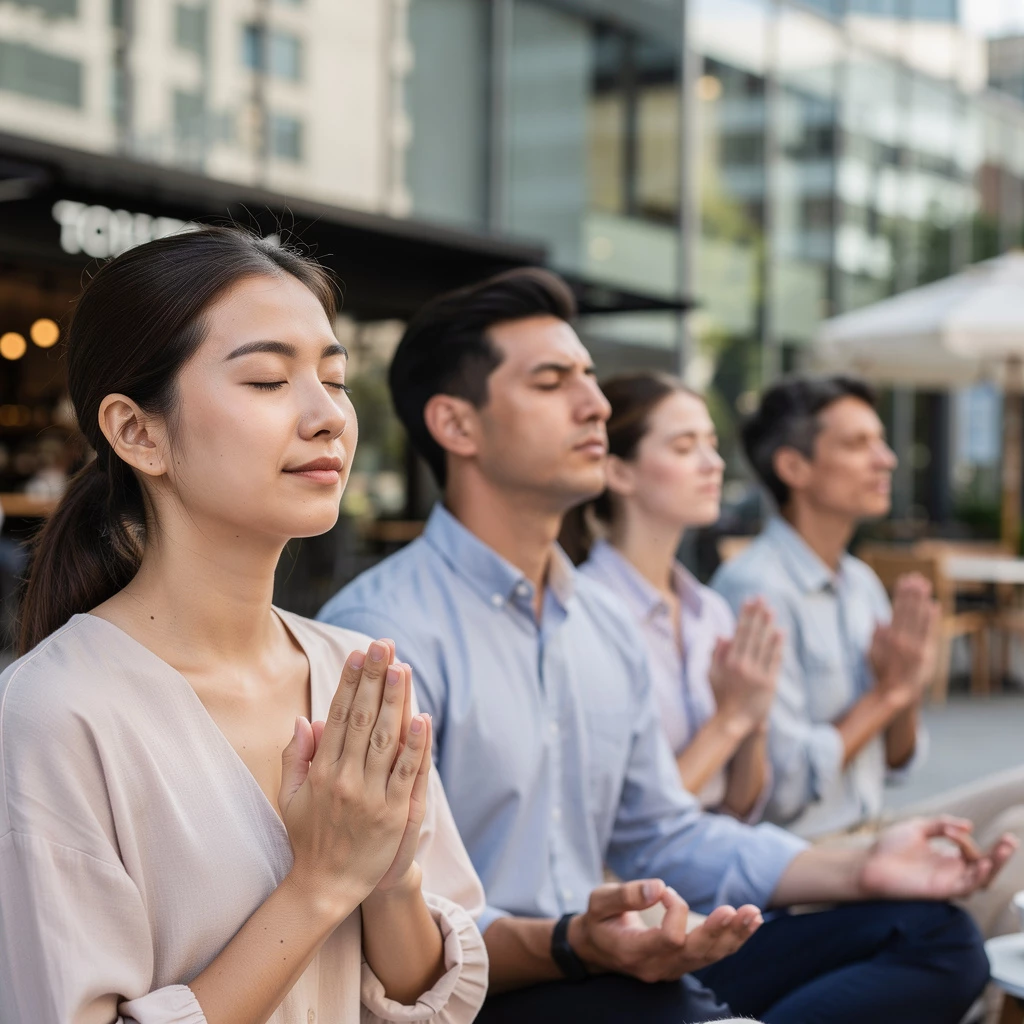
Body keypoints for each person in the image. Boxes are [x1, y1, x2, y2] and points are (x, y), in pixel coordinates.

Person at [319, 267, 1016, 1024]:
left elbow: (663, 833)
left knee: (937, 936)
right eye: (552, 382)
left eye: (589, 376)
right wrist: (570, 944)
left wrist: (862, 869)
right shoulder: (382, 631)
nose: (595, 404)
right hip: (493, 988)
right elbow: (389, 914)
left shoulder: (601, 622)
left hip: (610, 958)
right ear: (457, 425)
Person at [0, 227, 487, 1023]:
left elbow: (431, 1000)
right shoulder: (54, 715)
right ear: (138, 433)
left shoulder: (354, 670)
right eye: (266, 380)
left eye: (335, 379)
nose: (327, 415)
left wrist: (391, 875)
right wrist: (322, 884)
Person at [711, 374, 1024, 937]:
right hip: (807, 860)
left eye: (881, 441)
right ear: (794, 468)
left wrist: (904, 691)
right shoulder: (756, 589)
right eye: (858, 444)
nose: (887, 459)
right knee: (1016, 849)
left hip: (875, 825)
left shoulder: (859, 583)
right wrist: (888, 695)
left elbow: (899, 761)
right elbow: (777, 791)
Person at [568, 372, 780, 822]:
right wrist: (731, 720)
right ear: (618, 471)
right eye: (684, 448)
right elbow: (624, 824)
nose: (713, 463)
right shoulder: (581, 617)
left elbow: (740, 806)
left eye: (712, 444)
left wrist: (755, 716)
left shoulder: (712, 612)